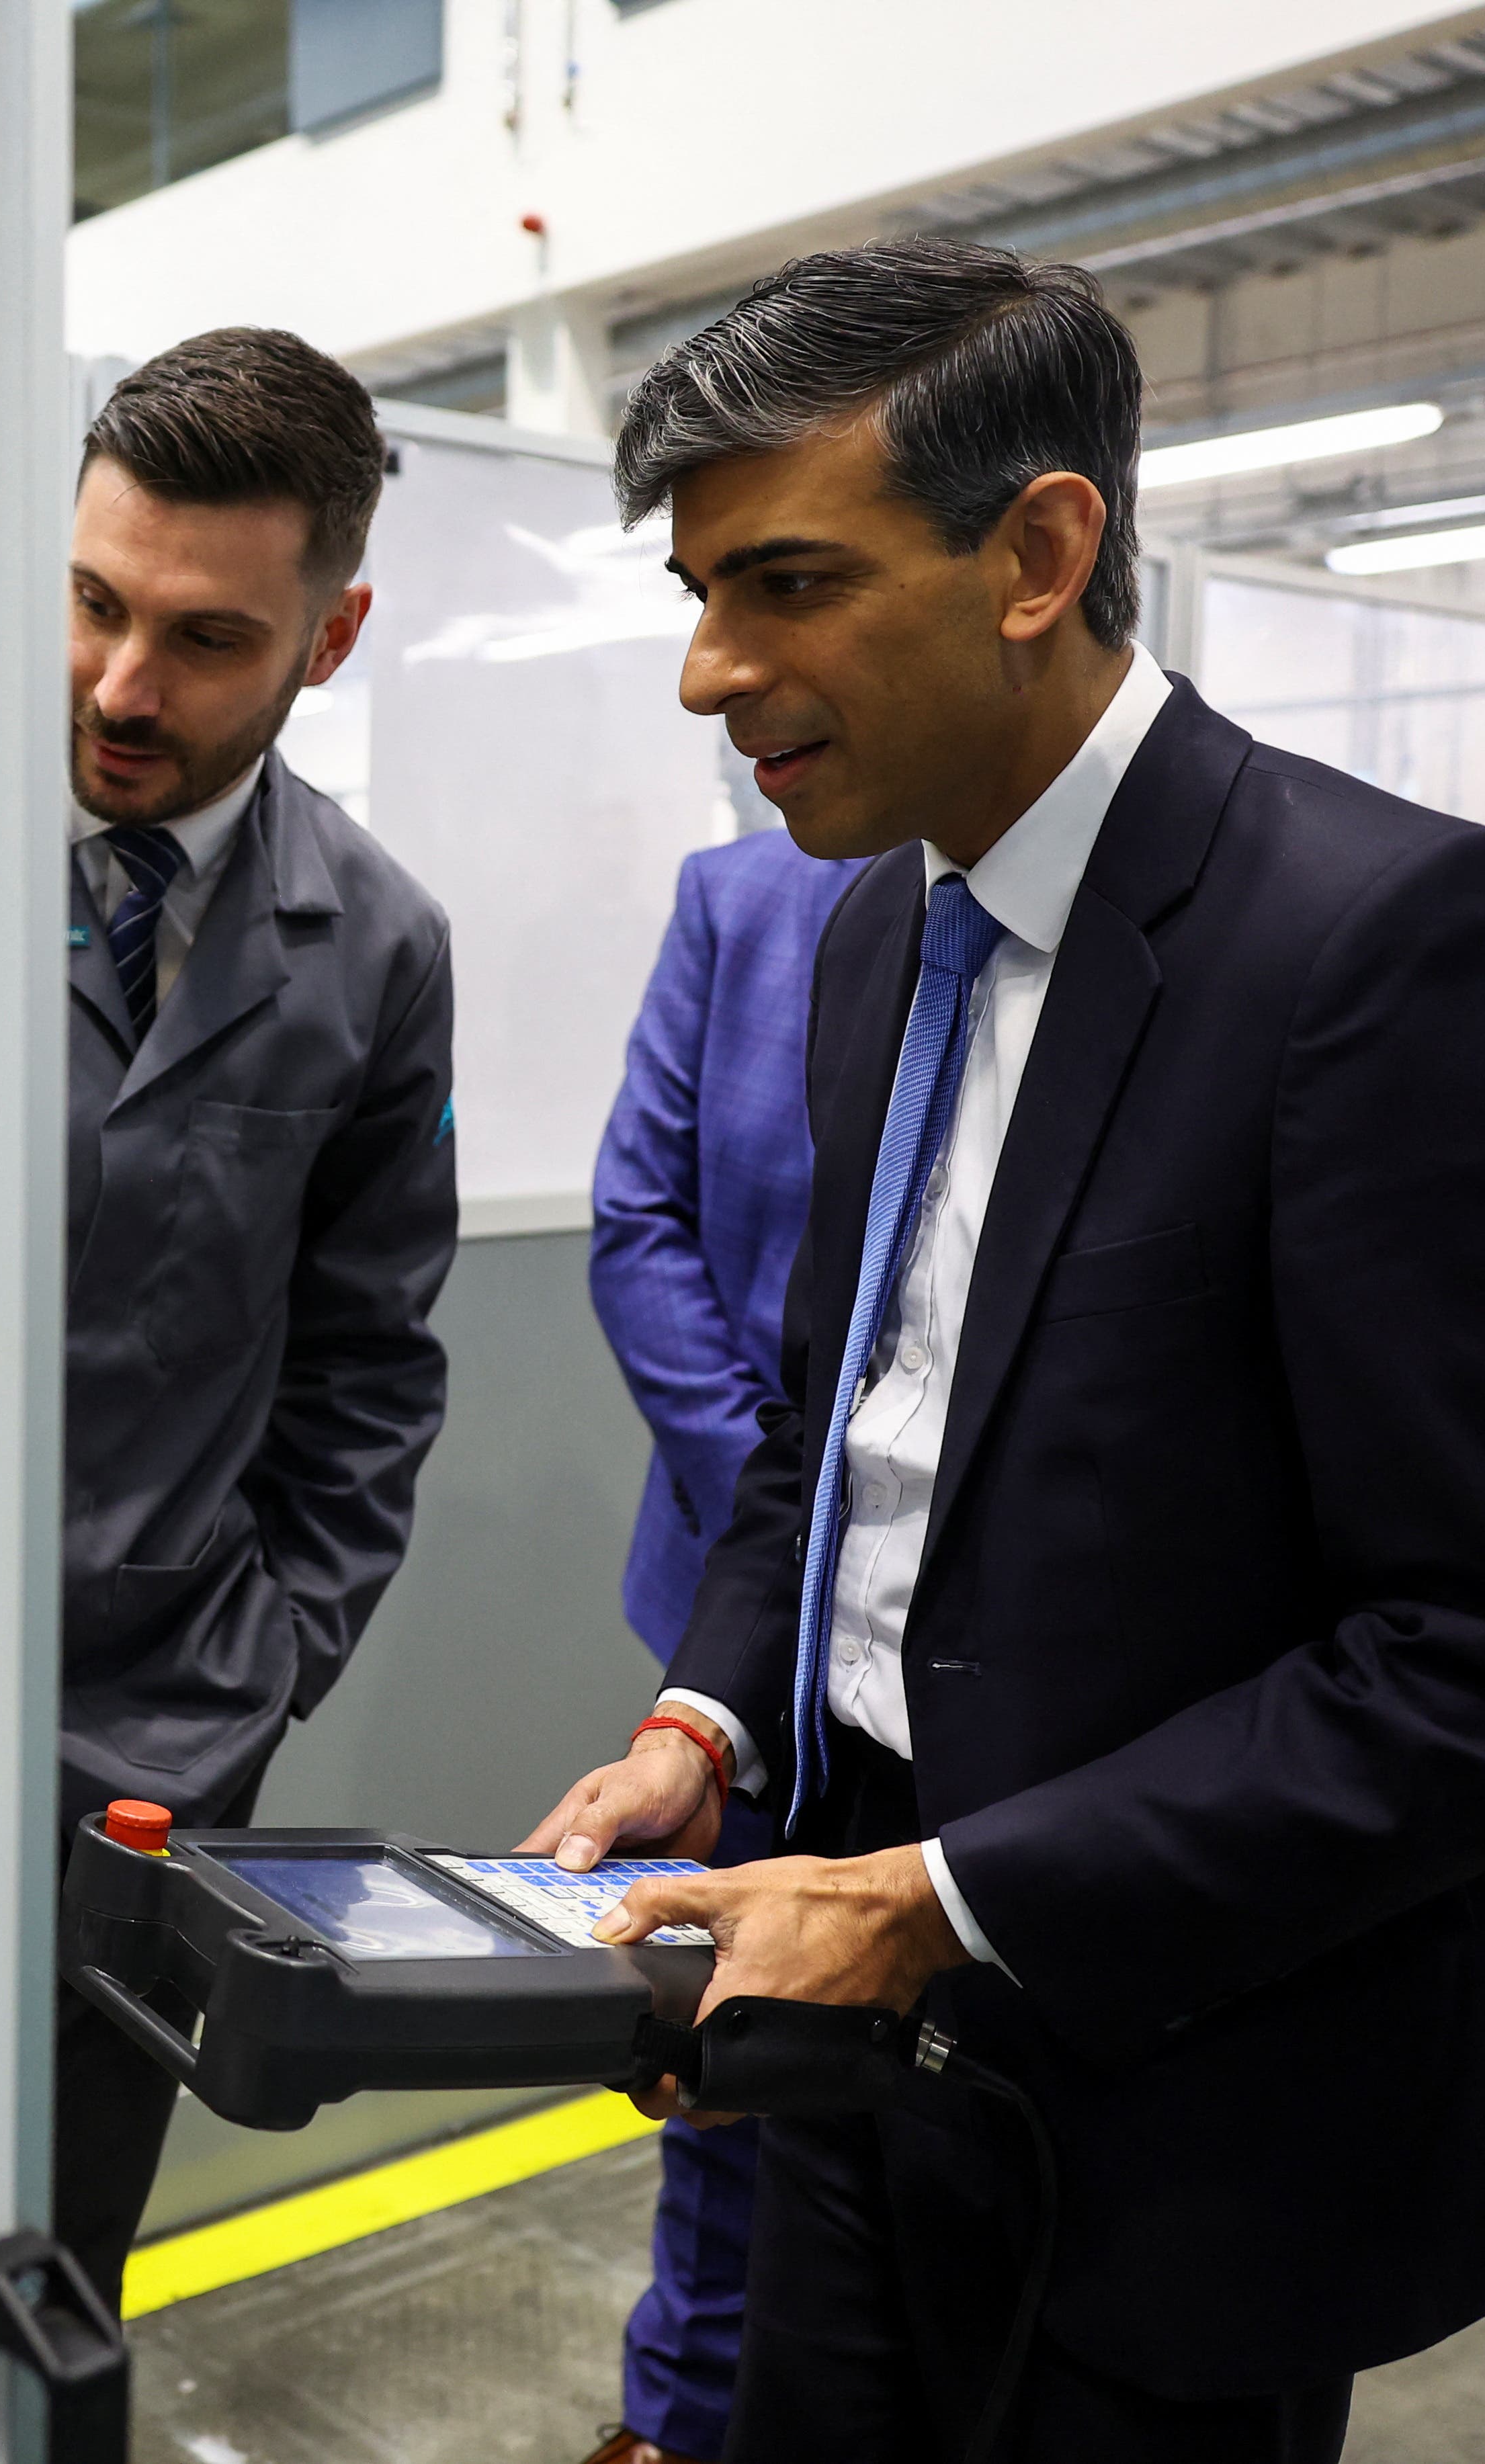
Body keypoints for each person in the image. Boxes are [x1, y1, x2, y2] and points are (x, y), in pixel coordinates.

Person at [519, 238, 1485, 2463]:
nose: (706, 671)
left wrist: (952, 1897)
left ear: (1040, 550)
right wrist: (708, 1707)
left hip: (1174, 2112)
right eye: (696, 590)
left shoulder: (1386, 947)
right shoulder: (881, 928)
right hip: (840, 2041)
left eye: (781, 583)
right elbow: (850, 1422)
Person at [56, 328, 460, 2308]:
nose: (122, 687)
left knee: (52, 2267)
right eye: (92, 601)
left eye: (205, 638)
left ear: (334, 631)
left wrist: (264, 1666)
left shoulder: (375, 949)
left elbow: (369, 1360)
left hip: (146, 1743)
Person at [579, 813, 849, 2464]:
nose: (722, 670)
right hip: (736, 1621)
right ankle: (674, 2418)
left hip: (978, 1647)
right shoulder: (737, 900)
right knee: (720, 2052)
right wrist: (791, 1503)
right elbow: (638, 1221)